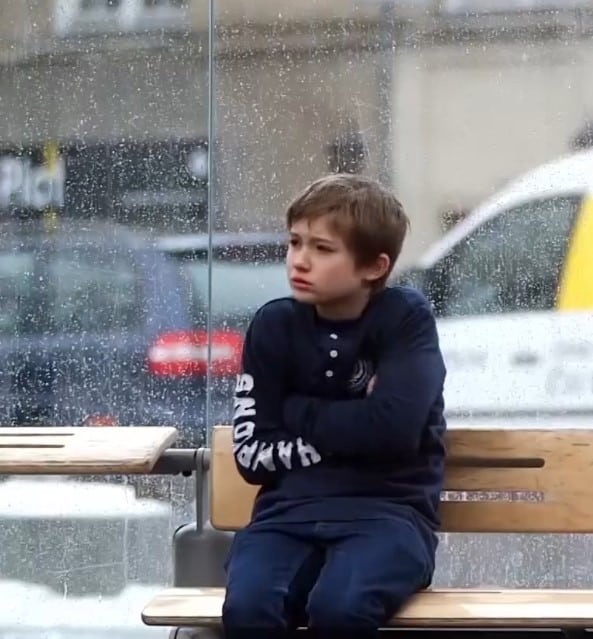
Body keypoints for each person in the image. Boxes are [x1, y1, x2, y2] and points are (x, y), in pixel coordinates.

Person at [223, 173, 447, 639]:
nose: (299, 260)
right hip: (287, 515)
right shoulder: (273, 326)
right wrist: (355, 422)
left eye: (323, 249)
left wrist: (297, 410)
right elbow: (250, 457)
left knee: (339, 610)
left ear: (373, 267)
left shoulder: (405, 319)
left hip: (390, 516)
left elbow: (393, 431)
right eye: (295, 242)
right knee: (250, 610)